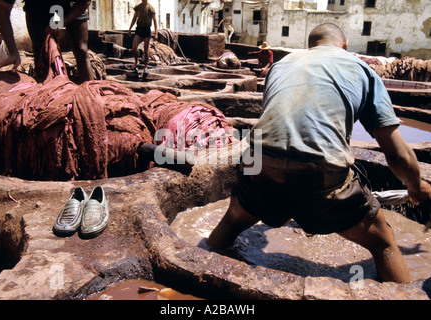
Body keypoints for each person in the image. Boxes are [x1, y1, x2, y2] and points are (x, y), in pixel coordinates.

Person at [207, 23, 431, 283]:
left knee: (233, 220)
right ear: (345, 45)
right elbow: (396, 153)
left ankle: (198, 275)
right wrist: (416, 186)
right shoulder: (361, 69)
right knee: (383, 242)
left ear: (310, 47)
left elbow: (279, 128)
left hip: (260, 163)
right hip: (321, 171)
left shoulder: (281, 65)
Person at [0, 0, 93, 83]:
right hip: (37, 5)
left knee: (81, 50)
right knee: (39, 49)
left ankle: (89, 92)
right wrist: (13, 53)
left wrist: (62, 22)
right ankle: (43, 92)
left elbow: (85, 2)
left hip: (71, 4)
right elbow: (3, 11)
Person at [128, 0, 158, 80]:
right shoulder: (138, 7)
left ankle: (145, 67)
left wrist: (156, 33)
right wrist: (130, 28)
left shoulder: (151, 8)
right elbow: (134, 18)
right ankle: (136, 61)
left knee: (146, 50)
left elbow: (155, 21)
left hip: (146, 29)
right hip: (139, 29)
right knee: (134, 48)